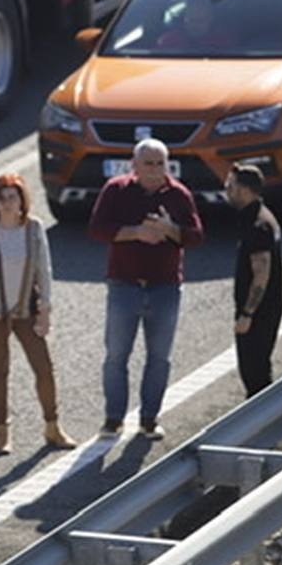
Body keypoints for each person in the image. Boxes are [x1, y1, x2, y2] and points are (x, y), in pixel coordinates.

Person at [88, 138, 204, 440]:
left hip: (165, 288)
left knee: (159, 357)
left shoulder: (179, 195)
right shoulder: (116, 189)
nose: (154, 170)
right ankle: (113, 418)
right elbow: (98, 229)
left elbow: (195, 236)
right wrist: (135, 233)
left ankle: (149, 418)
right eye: (148, 164)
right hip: (124, 285)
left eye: (159, 164)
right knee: (116, 355)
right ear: (134, 165)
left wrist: (170, 230)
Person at [0, 172, 76, 453]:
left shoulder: (34, 229)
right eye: (2, 198)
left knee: (43, 367)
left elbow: (44, 271)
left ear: (23, 200)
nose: (7, 203)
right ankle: (2, 432)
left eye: (13, 197)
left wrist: (45, 308)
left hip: (27, 309)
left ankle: (52, 426)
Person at [225, 165, 282, 397]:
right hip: (267, 306)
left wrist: (247, 314)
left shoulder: (257, 226)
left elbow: (261, 272)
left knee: (254, 371)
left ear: (243, 190)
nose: (226, 191)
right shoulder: (260, 215)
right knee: (257, 367)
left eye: (230, 186)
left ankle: (262, 419)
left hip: (261, 310)